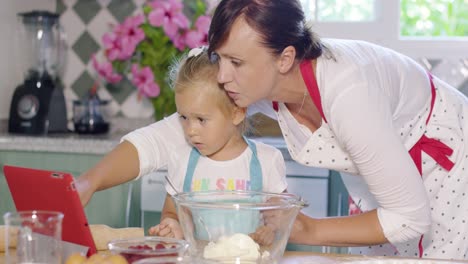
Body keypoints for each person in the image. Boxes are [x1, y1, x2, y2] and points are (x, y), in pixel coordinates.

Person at [205, 0, 468, 260]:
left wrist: (306, 228)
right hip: (395, 178)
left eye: (236, 62)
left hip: (453, 165)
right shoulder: (259, 81)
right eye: (219, 57)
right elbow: (194, 87)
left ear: (285, 58)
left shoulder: (351, 96)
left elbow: (409, 218)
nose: (221, 76)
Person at [76, 47, 287, 241]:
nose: (190, 130)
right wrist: (171, 225)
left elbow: (281, 218)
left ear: (237, 112)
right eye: (184, 118)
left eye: (201, 120)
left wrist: (269, 231)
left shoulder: (267, 161)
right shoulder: (183, 160)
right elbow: (171, 211)